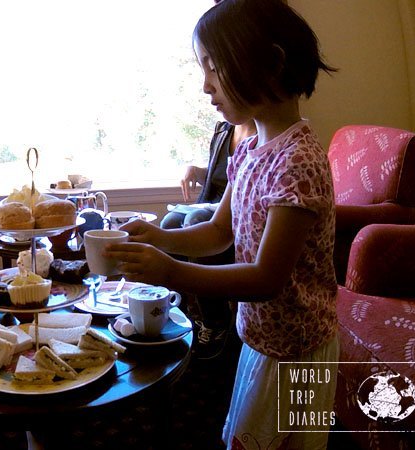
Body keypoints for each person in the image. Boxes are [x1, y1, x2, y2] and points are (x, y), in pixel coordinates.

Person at [107, 0, 339, 448]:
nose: (204, 86)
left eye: (214, 68)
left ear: (270, 63)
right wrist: (160, 236)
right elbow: (218, 232)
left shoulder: (300, 163)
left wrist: (171, 271)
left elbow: (267, 279)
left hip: (300, 351)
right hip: (261, 338)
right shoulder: (251, 148)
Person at [161, 120, 257, 360]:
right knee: (168, 223)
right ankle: (177, 311)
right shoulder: (224, 130)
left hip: (241, 209)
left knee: (195, 219)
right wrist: (196, 170)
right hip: (214, 204)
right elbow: (218, 179)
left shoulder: (261, 134)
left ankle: (215, 322)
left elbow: (243, 188)